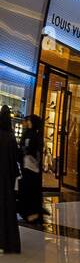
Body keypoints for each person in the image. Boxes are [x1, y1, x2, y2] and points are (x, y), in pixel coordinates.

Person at [0, 107, 22, 253]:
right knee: (7, 210)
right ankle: (7, 241)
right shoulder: (11, 137)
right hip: (6, 181)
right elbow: (16, 159)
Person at [17, 114, 44, 224]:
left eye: (29, 121)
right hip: (26, 166)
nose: (28, 123)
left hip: (33, 168)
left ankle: (33, 213)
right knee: (26, 190)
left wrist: (28, 151)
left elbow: (37, 151)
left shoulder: (36, 135)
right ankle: (27, 212)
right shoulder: (27, 133)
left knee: (31, 191)